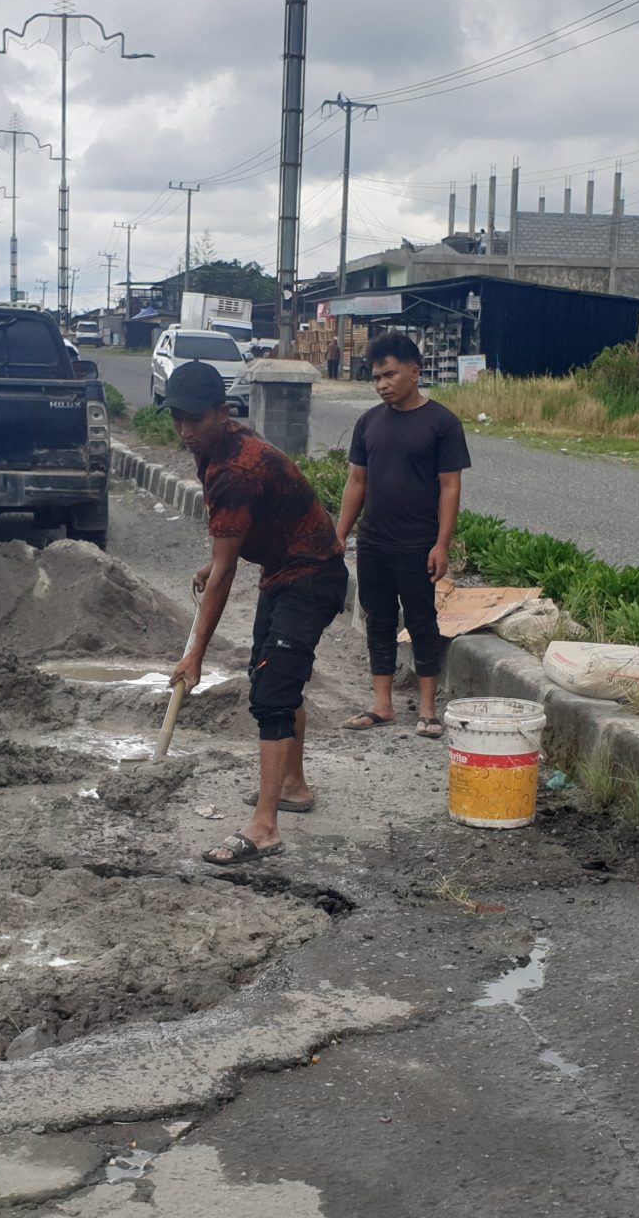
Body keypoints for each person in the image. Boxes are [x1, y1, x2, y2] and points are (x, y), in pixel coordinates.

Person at [166, 360, 349, 866]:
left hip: (312, 577)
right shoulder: (214, 449)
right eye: (176, 418)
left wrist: (195, 655)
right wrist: (215, 560)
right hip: (286, 570)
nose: (184, 430)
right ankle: (292, 784)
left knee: (272, 693)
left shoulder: (237, 469)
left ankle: (265, 827)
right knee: (270, 678)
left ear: (223, 413)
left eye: (194, 419)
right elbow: (241, 537)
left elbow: (226, 576)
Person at [333, 331, 469, 738]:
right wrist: (340, 535)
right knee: (378, 619)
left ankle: (428, 709)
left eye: (389, 375)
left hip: (418, 544)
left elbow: (450, 487)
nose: (382, 384)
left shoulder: (442, 423)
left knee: (423, 622)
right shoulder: (369, 422)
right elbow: (357, 481)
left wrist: (441, 544)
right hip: (374, 541)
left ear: (415, 372)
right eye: (376, 377)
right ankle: (382, 705)